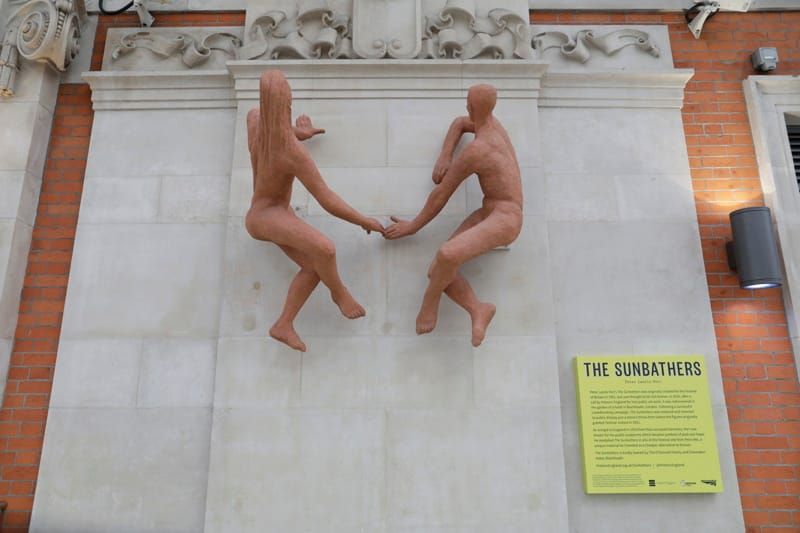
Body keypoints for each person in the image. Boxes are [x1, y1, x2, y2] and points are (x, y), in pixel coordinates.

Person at [246, 70, 385, 352]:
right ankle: (339, 293)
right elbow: (327, 199)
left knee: (313, 266)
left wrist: (299, 132)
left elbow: (274, 129)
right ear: (286, 106)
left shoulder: (254, 120)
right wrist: (363, 220)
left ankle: (283, 325)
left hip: (266, 213)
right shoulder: (292, 153)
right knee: (326, 249)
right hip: (267, 216)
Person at [384, 84, 523, 347]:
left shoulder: (479, 150)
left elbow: (441, 194)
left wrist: (413, 226)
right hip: (490, 209)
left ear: (470, 106)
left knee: (447, 255)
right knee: (438, 270)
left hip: (507, 218)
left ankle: (429, 302)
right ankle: (478, 310)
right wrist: (445, 155)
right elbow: (460, 123)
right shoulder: (494, 125)